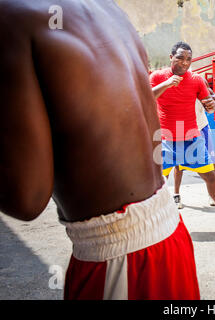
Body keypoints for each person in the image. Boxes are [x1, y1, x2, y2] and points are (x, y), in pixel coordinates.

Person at [0, 0, 199, 300]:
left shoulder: (11, 15)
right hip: (169, 235)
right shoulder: (108, 8)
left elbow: (26, 199)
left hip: (120, 260)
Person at [150, 41, 215, 231]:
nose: (184, 63)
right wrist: (167, 84)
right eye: (180, 58)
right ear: (171, 58)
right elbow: (145, 96)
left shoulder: (196, 79)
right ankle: (152, 225)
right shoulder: (157, 77)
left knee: (211, 176)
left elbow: (209, 106)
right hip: (164, 140)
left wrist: (212, 105)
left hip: (191, 139)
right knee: (155, 184)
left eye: (188, 59)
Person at [173, 78, 215, 209]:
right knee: (179, 164)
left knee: (211, 161)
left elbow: (211, 103)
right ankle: (176, 194)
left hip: (201, 126)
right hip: (183, 128)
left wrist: (213, 100)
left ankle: (212, 194)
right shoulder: (176, 86)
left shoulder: (202, 85)